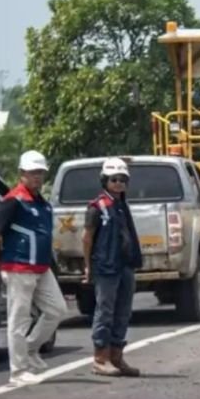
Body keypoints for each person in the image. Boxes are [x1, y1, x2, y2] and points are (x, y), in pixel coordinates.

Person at [0, 150, 67, 386]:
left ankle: (31, 348)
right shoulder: (14, 200)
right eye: (32, 173)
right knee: (18, 318)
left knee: (57, 309)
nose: (37, 177)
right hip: (18, 266)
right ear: (22, 173)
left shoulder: (41, 203)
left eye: (40, 173)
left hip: (41, 267)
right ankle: (18, 371)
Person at [82, 157, 143, 377]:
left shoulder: (121, 205)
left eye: (122, 179)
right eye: (114, 179)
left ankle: (116, 356)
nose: (118, 183)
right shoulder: (97, 207)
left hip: (125, 265)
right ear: (105, 180)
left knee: (123, 312)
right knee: (105, 311)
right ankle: (100, 358)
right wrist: (88, 266)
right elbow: (87, 237)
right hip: (106, 266)